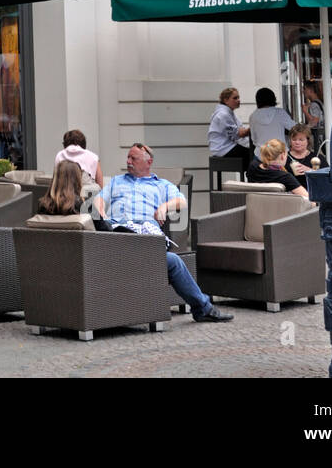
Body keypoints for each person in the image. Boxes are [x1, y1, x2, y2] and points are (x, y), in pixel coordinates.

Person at [99, 143, 233, 324]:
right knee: (170, 260)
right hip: (116, 236)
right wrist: (103, 215)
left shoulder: (161, 185)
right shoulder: (117, 181)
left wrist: (164, 206)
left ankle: (202, 308)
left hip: (144, 238)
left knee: (172, 261)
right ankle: (203, 307)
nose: (128, 161)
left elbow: (182, 202)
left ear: (148, 162)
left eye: (133, 158)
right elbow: (99, 201)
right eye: (128, 157)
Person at [246, 139, 310, 200]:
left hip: (255, 207)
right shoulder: (285, 177)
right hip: (282, 210)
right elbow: (309, 199)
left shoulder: (253, 167)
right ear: (282, 155)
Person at [39, 160, 103, 219]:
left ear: (54, 180)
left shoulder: (43, 206)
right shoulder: (84, 206)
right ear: (77, 181)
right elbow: (105, 228)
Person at [207, 86, 252, 170]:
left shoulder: (229, 113)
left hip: (225, 146)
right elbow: (239, 134)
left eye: (238, 97)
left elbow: (240, 130)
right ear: (226, 100)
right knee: (254, 156)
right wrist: (254, 126)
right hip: (223, 149)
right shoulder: (223, 114)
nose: (238, 100)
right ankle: (254, 180)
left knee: (255, 153)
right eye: (235, 98)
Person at [248, 88, 296, 153]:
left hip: (261, 154)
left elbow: (254, 139)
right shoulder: (280, 112)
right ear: (273, 98)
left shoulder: (253, 116)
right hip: (280, 154)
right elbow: (295, 128)